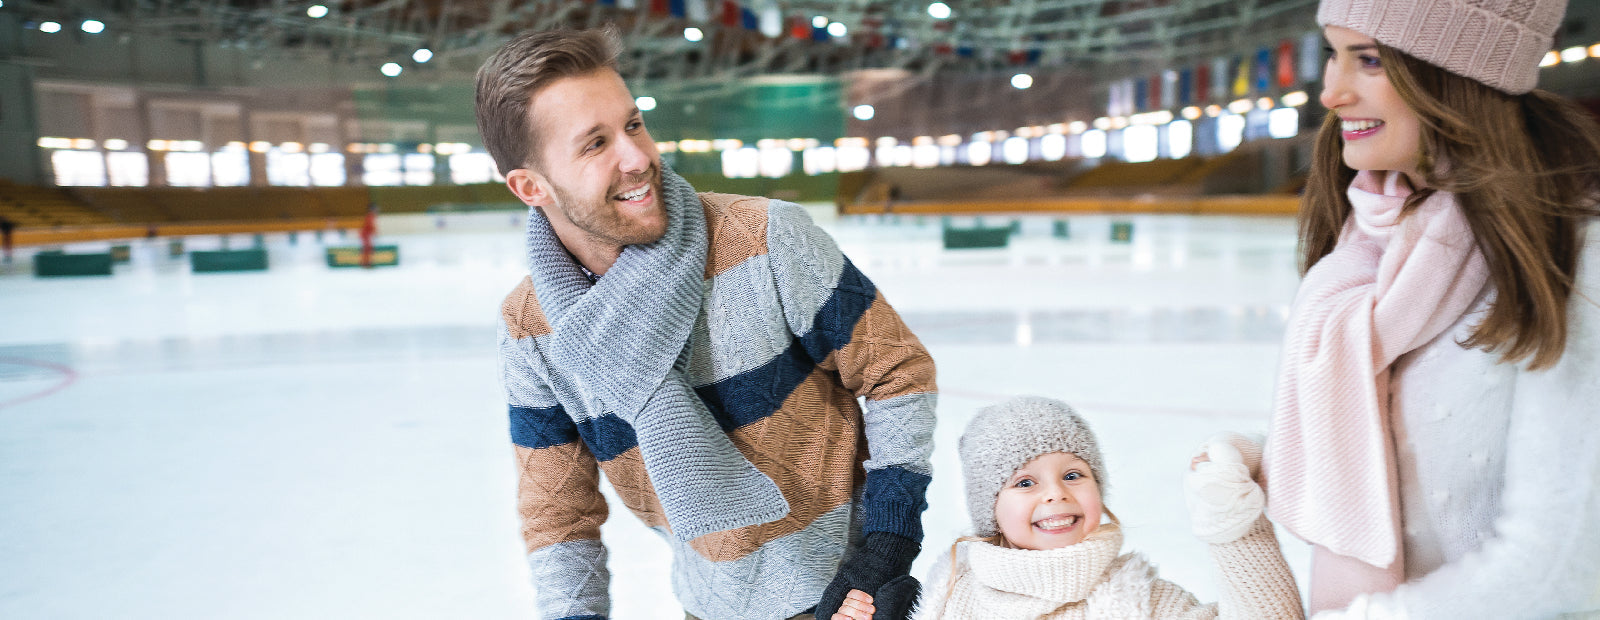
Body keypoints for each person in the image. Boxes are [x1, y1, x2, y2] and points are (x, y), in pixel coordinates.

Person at [475, 28, 938, 620]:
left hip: (847, 596)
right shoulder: (531, 329)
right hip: (706, 604)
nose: (639, 157)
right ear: (530, 186)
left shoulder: (767, 241)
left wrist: (885, 550)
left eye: (634, 124)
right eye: (595, 144)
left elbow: (898, 372)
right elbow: (558, 511)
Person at [1262, 0, 1600, 617]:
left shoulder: (1576, 260)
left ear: (1459, 75)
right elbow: (1399, 456)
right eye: (1333, 56)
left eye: (1368, 60)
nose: (1331, 94)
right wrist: (1260, 462)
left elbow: (1560, 568)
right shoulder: (1372, 242)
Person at [904, 396, 1303, 620]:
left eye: (1074, 475)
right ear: (989, 508)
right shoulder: (952, 598)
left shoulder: (1139, 602)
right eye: (1025, 482)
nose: (1055, 494)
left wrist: (1232, 520)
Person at [359, 202, 377, 268]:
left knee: (368, 248)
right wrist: (374, 232)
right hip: (366, 235)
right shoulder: (370, 216)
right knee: (367, 248)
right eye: (375, 209)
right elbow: (371, 225)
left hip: (367, 234)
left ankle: (366, 262)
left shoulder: (371, 216)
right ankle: (366, 263)